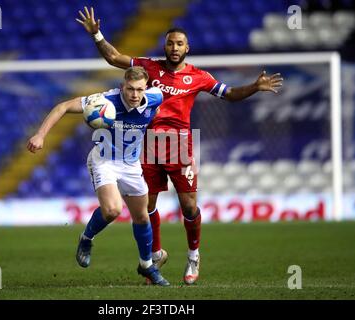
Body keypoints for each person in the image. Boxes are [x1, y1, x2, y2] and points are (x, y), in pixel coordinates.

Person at [77, 7, 283, 285]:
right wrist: (97, 34)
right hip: (147, 144)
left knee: (188, 206)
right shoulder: (149, 67)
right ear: (165, 45)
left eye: (180, 44)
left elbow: (230, 94)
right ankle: (155, 254)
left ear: (188, 47)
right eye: (170, 43)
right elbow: (114, 57)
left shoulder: (199, 77)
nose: (174, 48)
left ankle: (193, 255)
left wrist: (254, 87)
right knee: (147, 204)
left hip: (178, 144)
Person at [27, 66, 170, 286]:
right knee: (113, 210)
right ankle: (86, 238)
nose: (134, 94)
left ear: (146, 88)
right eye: (130, 89)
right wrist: (40, 135)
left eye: (139, 89)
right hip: (104, 161)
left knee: (142, 217)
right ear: (123, 86)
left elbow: (156, 112)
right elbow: (63, 106)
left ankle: (146, 266)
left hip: (131, 165)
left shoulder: (155, 97)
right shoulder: (105, 101)